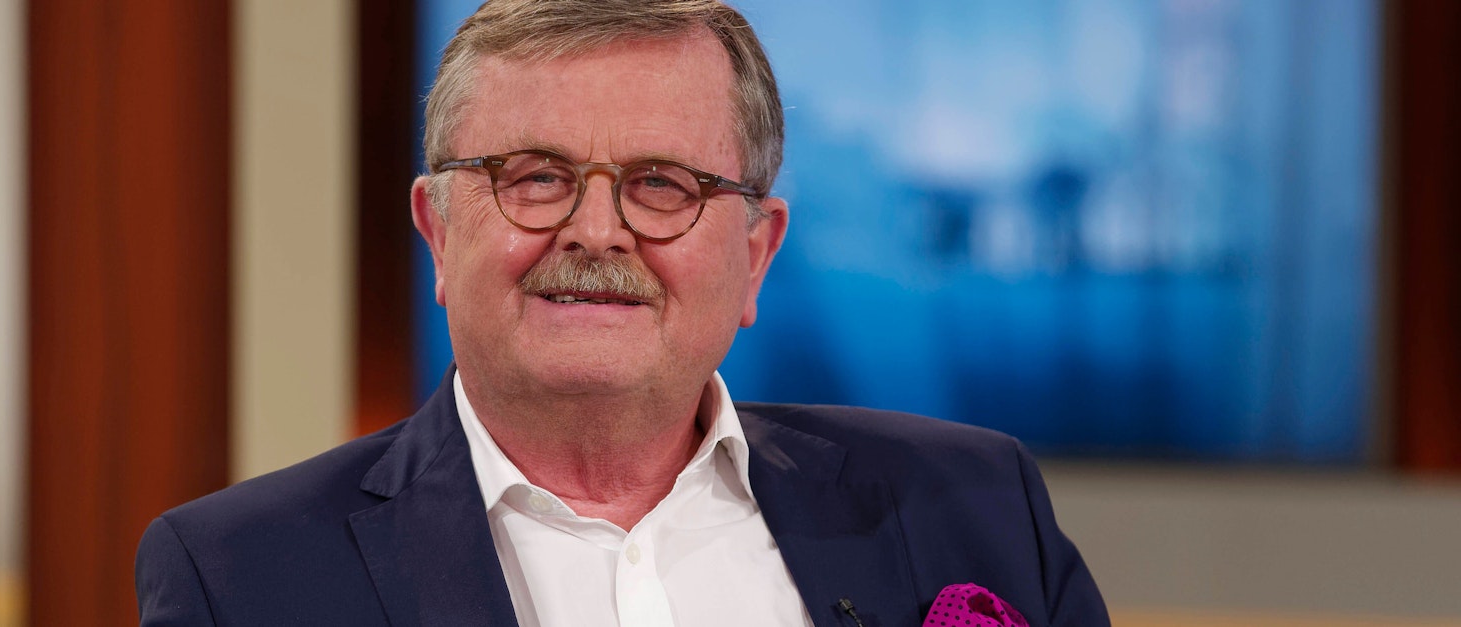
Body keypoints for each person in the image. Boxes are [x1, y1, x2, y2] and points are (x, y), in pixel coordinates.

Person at [136, 1, 1109, 625]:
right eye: (534, 176)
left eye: (662, 184)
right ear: (437, 233)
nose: (597, 231)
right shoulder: (238, 578)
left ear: (755, 255)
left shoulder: (980, 508)